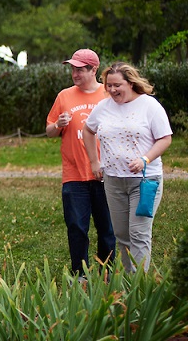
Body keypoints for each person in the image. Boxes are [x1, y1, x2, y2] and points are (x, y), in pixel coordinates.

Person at [83, 62, 172, 271]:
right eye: (109, 86)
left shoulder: (149, 105)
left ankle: (139, 287)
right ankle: (128, 284)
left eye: (117, 85)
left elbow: (165, 138)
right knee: (122, 235)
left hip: (145, 181)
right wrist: (95, 162)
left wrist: (145, 159)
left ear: (130, 83)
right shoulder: (103, 107)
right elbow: (88, 130)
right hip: (113, 181)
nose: (112, 90)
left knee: (139, 234)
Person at [45, 48, 115, 275]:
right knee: (77, 228)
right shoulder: (64, 96)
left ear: (93, 69)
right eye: (73, 69)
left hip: (106, 173)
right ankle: (80, 275)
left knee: (107, 228)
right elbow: (49, 131)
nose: (75, 74)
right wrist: (58, 125)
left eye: (80, 69)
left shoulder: (109, 94)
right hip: (74, 174)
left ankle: (108, 274)